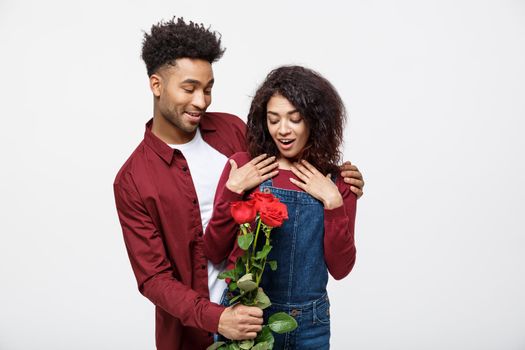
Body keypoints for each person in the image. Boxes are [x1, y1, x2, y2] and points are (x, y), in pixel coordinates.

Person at [113, 17, 365, 350]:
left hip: (267, 316)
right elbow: (154, 278)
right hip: (196, 332)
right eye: (189, 88)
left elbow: (287, 158)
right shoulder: (133, 181)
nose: (202, 101)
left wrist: (340, 181)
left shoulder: (232, 131)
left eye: (208, 88)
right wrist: (216, 318)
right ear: (156, 85)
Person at [205, 65, 358, 349]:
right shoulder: (244, 167)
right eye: (273, 120)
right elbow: (213, 251)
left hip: (310, 325)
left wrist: (334, 203)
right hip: (247, 317)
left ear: (315, 121)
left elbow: (341, 268)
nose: (283, 130)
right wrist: (233, 191)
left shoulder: (338, 182)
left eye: (295, 119)